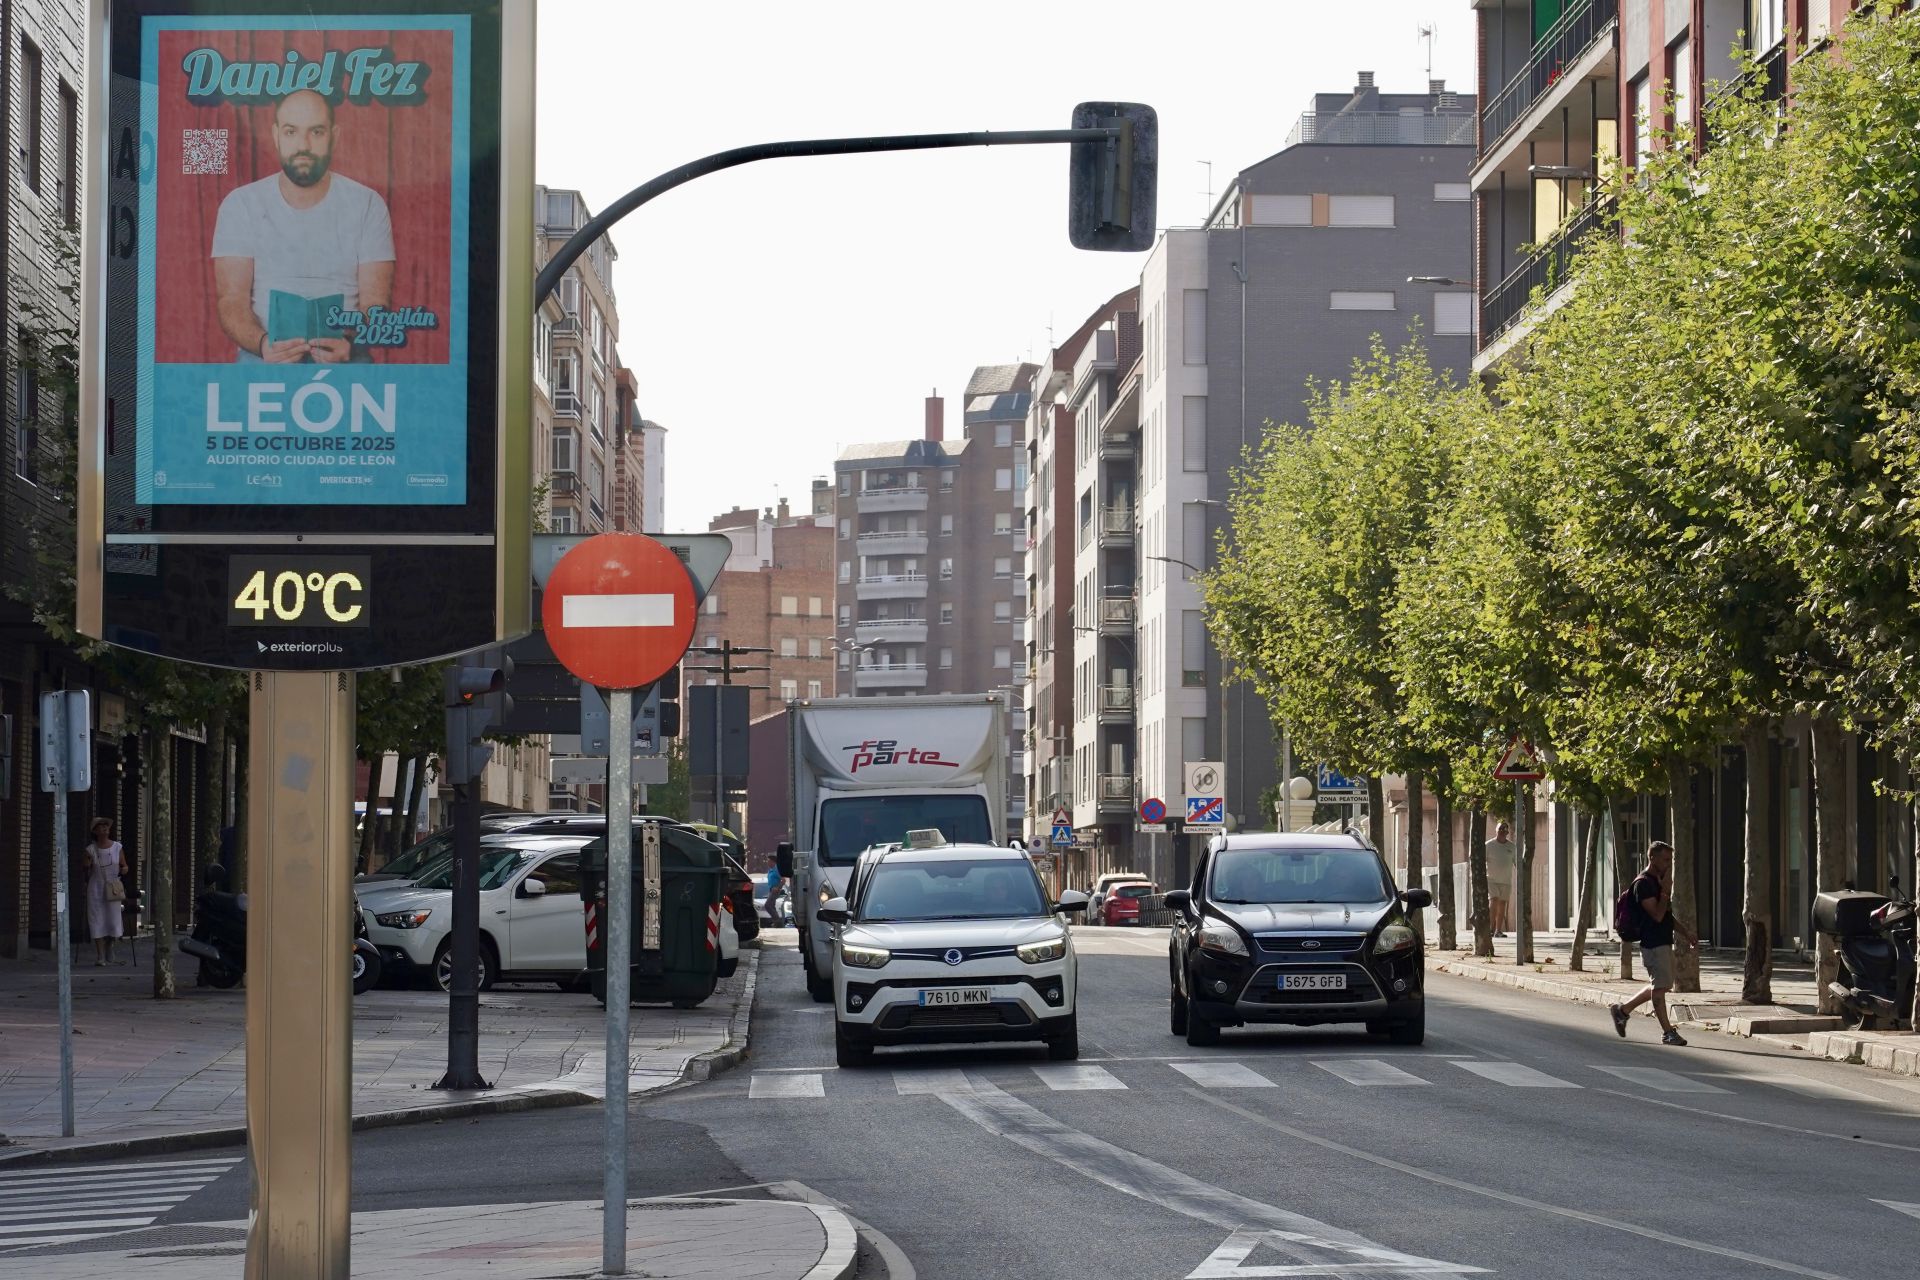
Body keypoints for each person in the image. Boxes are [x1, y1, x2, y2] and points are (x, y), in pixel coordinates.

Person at [212, 89, 394, 364]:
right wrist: (262, 344)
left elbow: (375, 301)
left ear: (335, 136)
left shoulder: (368, 203)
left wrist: (349, 342)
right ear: (275, 136)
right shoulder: (240, 204)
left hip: (346, 355)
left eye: (316, 132)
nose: (303, 145)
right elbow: (231, 300)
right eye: (291, 132)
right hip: (263, 356)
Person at [1609, 840, 1697, 1046]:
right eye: (1665, 859)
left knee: (1660, 985)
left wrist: (1686, 933)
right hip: (1653, 944)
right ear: (1652, 858)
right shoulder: (1643, 884)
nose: (1668, 864)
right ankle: (1668, 1032)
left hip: (1663, 942)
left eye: (1670, 860)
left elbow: (1667, 916)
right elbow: (1657, 915)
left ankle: (1622, 1011)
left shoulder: (1657, 882)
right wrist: (1665, 891)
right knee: (1659, 989)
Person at [81, 818, 129, 967]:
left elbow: (124, 865)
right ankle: (100, 955)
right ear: (95, 831)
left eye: (106, 826)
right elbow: (85, 870)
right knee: (96, 919)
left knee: (113, 919)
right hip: (96, 887)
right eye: (100, 827)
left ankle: (110, 948)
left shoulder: (117, 847)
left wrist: (124, 870)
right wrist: (86, 867)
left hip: (113, 886)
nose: (104, 828)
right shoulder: (90, 849)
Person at [1484, 821, 1515, 937]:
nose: (1502, 831)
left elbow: (1517, 862)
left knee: (1502, 904)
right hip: (1491, 879)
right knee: (1494, 900)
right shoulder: (1488, 845)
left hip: (1506, 880)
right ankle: (1490, 929)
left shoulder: (1512, 846)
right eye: (1500, 829)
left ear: (1507, 832)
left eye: (1504, 829)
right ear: (1496, 830)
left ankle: (1498, 930)